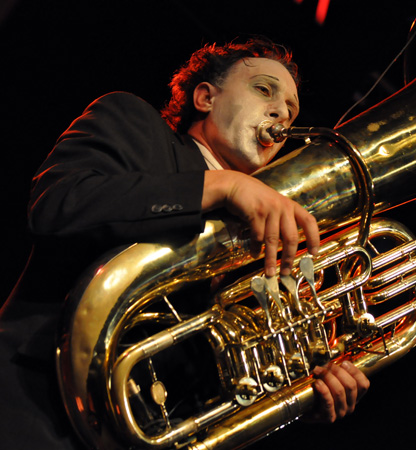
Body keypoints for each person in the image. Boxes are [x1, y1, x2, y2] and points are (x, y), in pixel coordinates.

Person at [0, 38, 369, 449]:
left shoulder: (265, 241)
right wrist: (217, 185)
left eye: (291, 109)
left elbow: (226, 390)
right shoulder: (133, 121)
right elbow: (58, 206)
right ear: (205, 97)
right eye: (264, 90)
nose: (281, 111)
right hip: (31, 404)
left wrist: (300, 393)